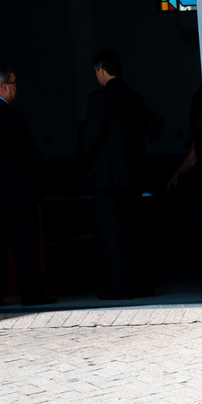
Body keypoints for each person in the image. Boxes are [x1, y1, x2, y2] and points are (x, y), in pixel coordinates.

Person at [0, 66, 54, 307]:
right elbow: (29, 156)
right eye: (14, 84)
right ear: (4, 87)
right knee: (24, 246)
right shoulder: (14, 118)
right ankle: (30, 293)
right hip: (18, 192)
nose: (16, 88)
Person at [80, 49, 151, 300]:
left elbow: (91, 137)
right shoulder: (134, 97)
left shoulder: (99, 98)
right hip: (133, 174)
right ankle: (143, 284)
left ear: (100, 70)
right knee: (136, 229)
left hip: (106, 177)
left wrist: (85, 163)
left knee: (111, 232)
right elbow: (147, 129)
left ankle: (120, 286)